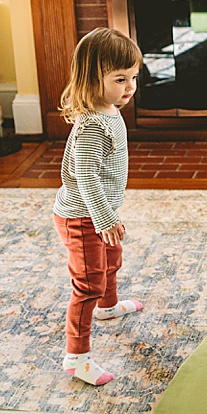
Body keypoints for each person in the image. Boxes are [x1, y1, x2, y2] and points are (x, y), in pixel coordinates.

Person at [53, 27, 145, 386]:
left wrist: (108, 214)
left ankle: (108, 308)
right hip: (83, 216)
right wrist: (104, 217)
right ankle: (76, 358)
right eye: (120, 79)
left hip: (101, 211)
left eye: (133, 77)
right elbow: (86, 175)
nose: (129, 87)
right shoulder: (93, 126)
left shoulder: (107, 109)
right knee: (88, 283)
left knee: (112, 260)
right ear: (93, 79)